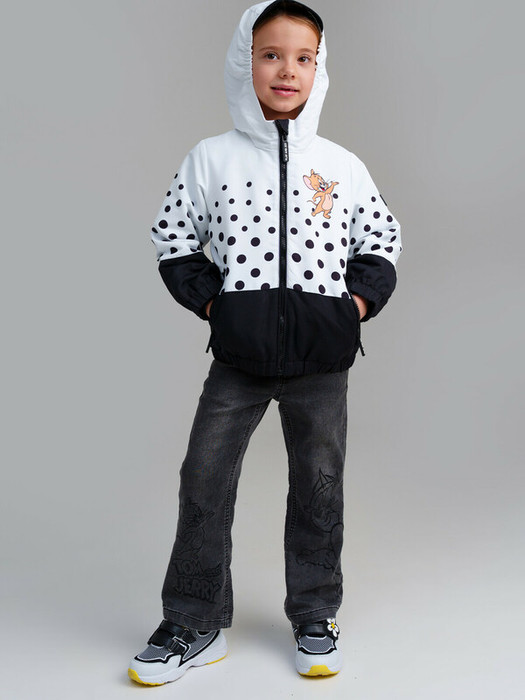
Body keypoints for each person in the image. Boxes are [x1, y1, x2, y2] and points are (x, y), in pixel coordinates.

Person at [128, 0, 402, 685]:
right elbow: (173, 238)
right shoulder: (211, 158)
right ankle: (193, 621)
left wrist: (353, 308)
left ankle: (315, 613)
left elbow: (381, 239)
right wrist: (216, 305)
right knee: (203, 479)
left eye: (303, 57)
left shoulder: (339, 166)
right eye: (270, 54)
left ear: (319, 69)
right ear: (242, 63)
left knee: (318, 487)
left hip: (321, 363)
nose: (287, 70)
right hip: (239, 361)